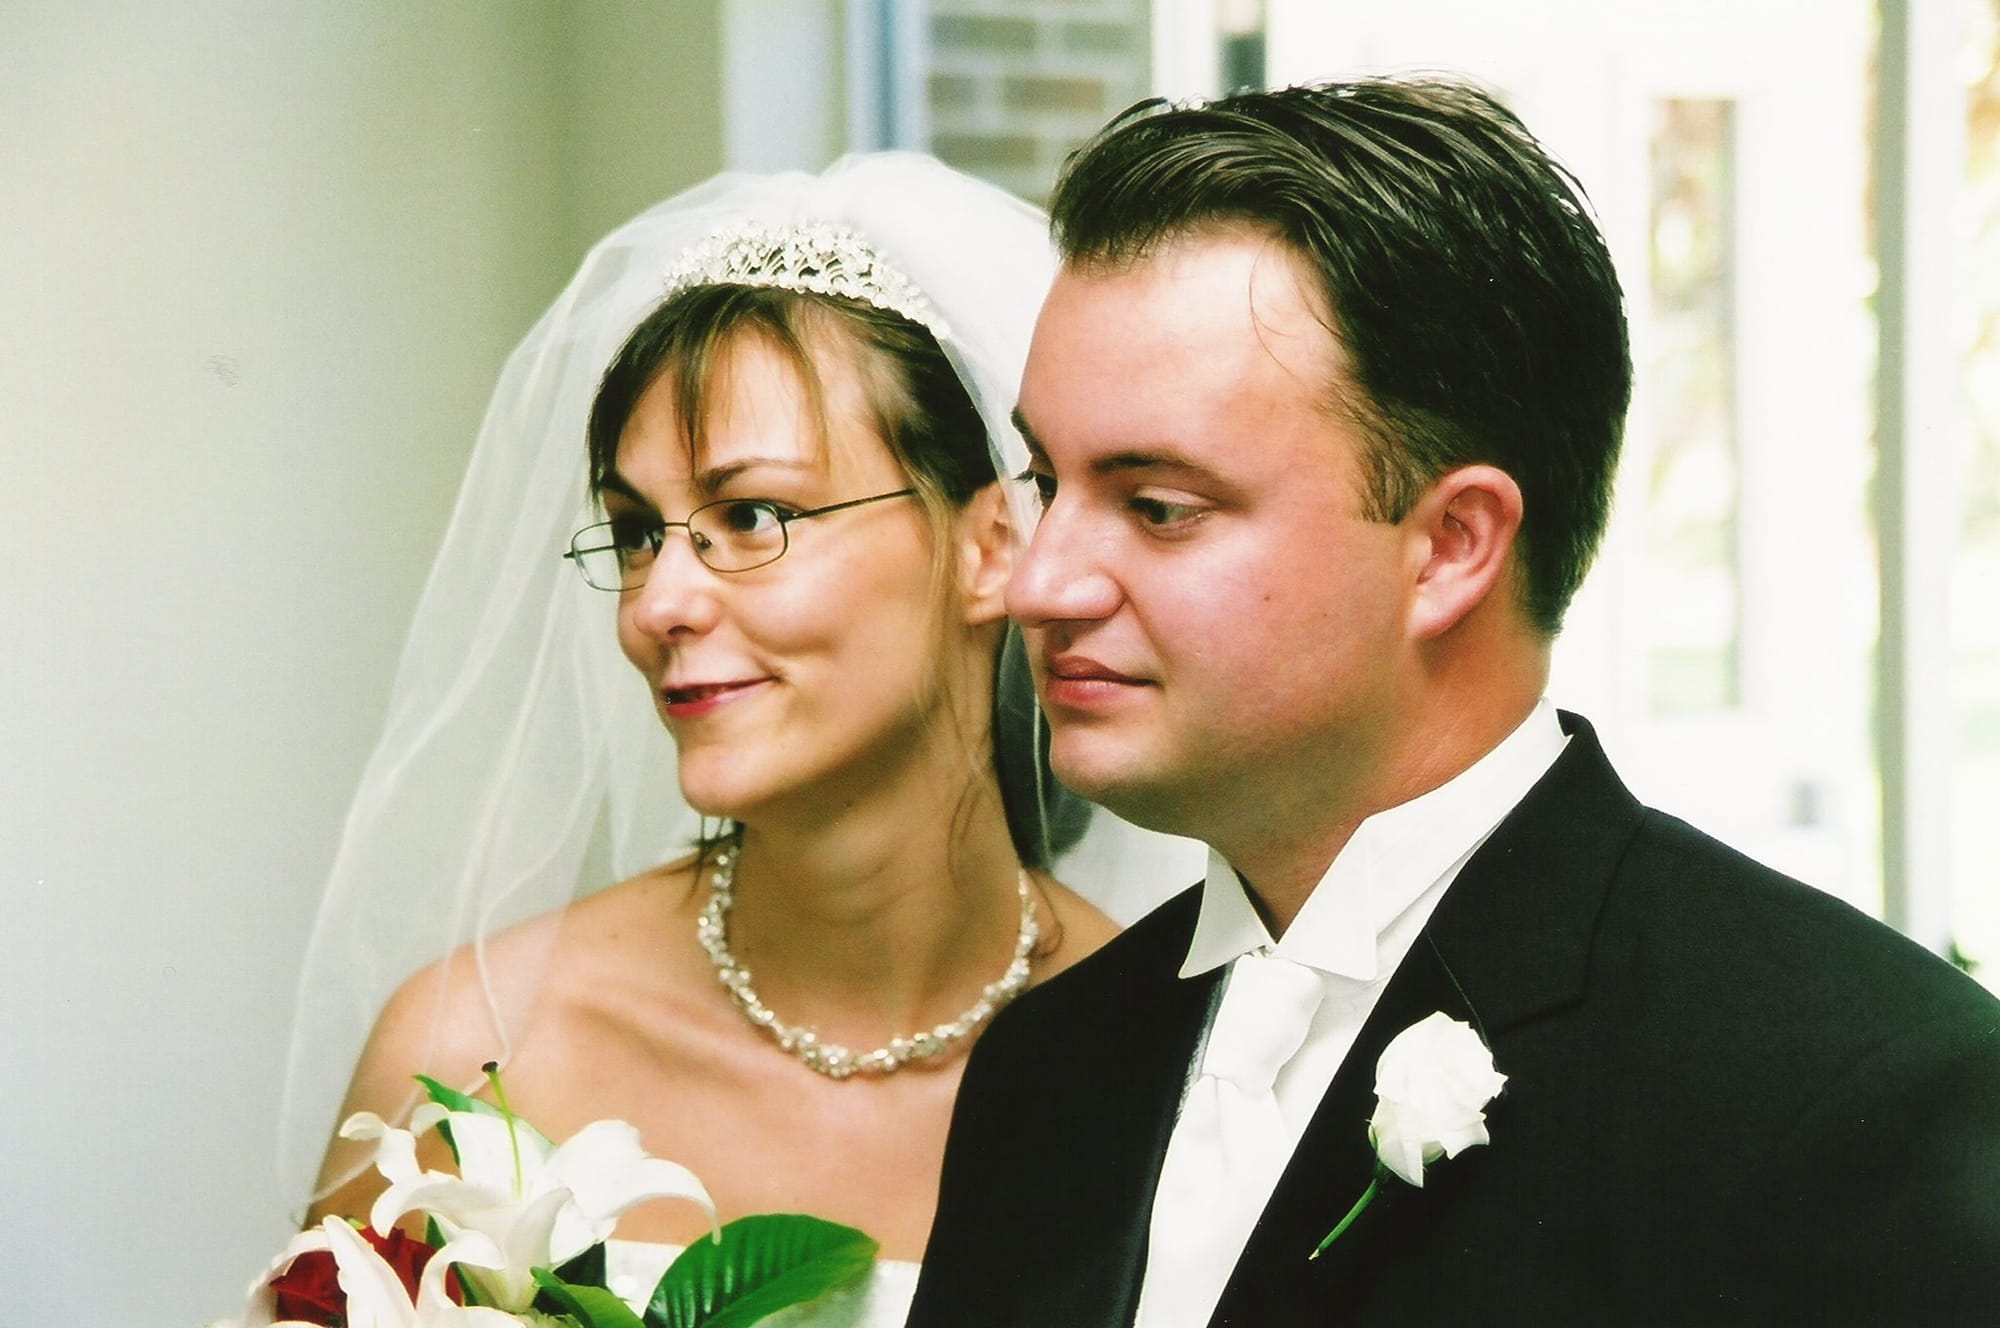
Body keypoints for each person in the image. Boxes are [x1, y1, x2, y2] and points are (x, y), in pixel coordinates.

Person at [908, 77, 2000, 1326]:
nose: (1037, 579)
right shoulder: (1045, 1070)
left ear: (1449, 547)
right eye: (1048, 478)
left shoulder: (1850, 1095)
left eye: (1159, 506)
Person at [278, 154, 1194, 1324]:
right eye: (635, 532)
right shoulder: (477, 1050)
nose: (659, 604)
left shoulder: (1174, 1054)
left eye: (749, 516)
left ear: (990, 548)